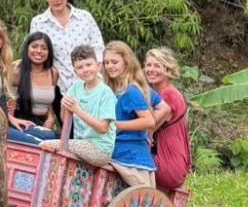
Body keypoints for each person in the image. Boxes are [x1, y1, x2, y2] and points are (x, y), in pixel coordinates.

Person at [29, 0, 104, 94]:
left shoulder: (84, 17)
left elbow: (98, 47)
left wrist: (96, 73)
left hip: (90, 86)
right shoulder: (38, 22)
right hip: (59, 89)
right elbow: (35, 55)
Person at [101, 39, 158, 188]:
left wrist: (115, 125)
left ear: (126, 62)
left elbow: (149, 121)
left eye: (114, 62)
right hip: (116, 150)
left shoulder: (131, 91)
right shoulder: (113, 90)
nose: (109, 66)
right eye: (106, 62)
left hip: (131, 155)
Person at [57, 44, 118, 164]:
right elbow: (64, 119)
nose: (85, 70)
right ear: (75, 71)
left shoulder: (106, 93)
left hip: (99, 149)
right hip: (81, 143)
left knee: (46, 145)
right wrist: (64, 105)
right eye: (80, 67)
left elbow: (102, 128)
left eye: (89, 65)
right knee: (55, 145)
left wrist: (77, 110)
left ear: (98, 65)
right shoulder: (75, 88)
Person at [144, 47, 193, 194]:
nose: (151, 69)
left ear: (168, 70)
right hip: (173, 164)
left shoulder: (169, 95)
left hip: (169, 166)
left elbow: (145, 127)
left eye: (157, 66)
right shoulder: (160, 93)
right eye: (148, 65)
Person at [10, 31, 63, 138]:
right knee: (50, 137)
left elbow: (49, 101)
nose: (39, 51)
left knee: (60, 139)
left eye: (44, 48)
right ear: (27, 48)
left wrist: (50, 118)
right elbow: (10, 103)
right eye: (34, 46)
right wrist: (11, 120)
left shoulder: (53, 72)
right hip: (22, 122)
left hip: (44, 123)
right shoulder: (17, 70)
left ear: (49, 52)